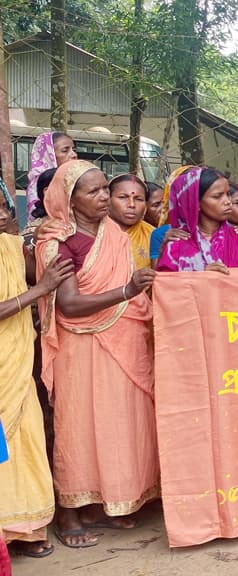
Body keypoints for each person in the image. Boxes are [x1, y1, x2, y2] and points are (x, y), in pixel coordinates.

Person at [36, 160, 160, 547]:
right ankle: (70, 512)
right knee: (79, 425)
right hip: (79, 346)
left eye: (104, 188)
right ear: (69, 201)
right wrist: (127, 291)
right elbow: (69, 305)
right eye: (92, 191)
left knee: (118, 422)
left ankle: (107, 505)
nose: (104, 196)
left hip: (122, 341)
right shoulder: (54, 240)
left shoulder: (114, 235)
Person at [0, 203, 74, 559]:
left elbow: (37, 272)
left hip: (16, 362)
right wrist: (40, 289)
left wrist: (40, 243)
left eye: (3, 207)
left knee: (27, 437)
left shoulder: (12, 246)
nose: (1, 215)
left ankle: (26, 529)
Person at [157, 167, 238, 272]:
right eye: (217, 196)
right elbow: (166, 285)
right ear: (196, 203)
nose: (228, 201)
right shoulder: (176, 245)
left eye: (228, 194)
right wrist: (202, 277)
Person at [107, 174, 155, 271]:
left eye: (138, 199)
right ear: (108, 199)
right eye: (123, 197)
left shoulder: (153, 235)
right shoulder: (95, 232)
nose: (132, 205)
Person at [27, 131, 78, 214]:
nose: (74, 155)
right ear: (49, 155)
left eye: (74, 150)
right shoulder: (37, 185)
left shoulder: (76, 179)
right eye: (65, 151)